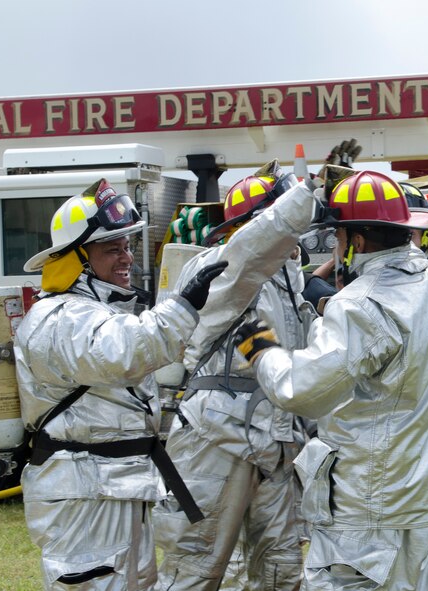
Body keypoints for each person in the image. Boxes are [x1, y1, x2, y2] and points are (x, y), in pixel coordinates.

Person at [234, 170, 428, 590]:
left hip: (366, 506)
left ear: (356, 242)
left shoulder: (360, 303)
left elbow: (302, 390)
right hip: (425, 498)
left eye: (339, 238)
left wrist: (263, 352)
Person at [13, 178, 227, 590]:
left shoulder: (93, 312)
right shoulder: (61, 317)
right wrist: (181, 307)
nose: (127, 257)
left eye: (127, 246)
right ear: (77, 258)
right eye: (112, 248)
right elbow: (123, 354)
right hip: (85, 493)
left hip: (114, 485)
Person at [153, 161, 319, 591]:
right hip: (217, 440)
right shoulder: (219, 267)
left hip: (275, 443)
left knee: (279, 570)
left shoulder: (287, 282)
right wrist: (301, 196)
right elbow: (250, 253)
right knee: (197, 567)